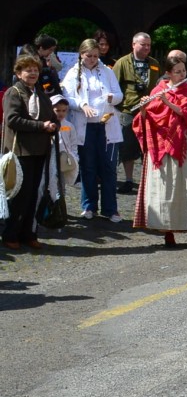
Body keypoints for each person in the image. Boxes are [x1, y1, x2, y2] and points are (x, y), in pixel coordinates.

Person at [131, 55, 187, 248]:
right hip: (164, 146)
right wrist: (142, 109)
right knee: (168, 189)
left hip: (186, 145)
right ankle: (168, 232)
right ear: (168, 73)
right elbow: (148, 120)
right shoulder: (158, 90)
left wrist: (168, 103)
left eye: (184, 70)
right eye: (178, 71)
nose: (182, 74)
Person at [61, 39, 123, 221]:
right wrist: (83, 104)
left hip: (106, 124)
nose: (92, 59)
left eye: (96, 56)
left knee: (108, 167)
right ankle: (89, 206)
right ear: (81, 54)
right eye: (89, 56)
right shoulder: (73, 73)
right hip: (85, 126)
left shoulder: (107, 72)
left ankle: (111, 209)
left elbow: (119, 95)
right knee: (88, 167)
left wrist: (112, 98)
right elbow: (68, 98)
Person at [2, 56, 58, 250]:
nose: (33, 73)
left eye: (35, 69)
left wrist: (54, 124)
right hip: (21, 151)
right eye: (28, 70)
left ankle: (28, 233)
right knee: (20, 196)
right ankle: (11, 234)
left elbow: (51, 116)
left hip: (39, 151)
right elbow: (12, 119)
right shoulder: (14, 92)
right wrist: (41, 126)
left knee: (34, 194)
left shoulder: (40, 93)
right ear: (18, 73)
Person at [112, 32, 161, 194]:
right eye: (143, 44)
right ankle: (128, 180)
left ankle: (148, 180)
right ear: (134, 45)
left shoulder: (154, 64)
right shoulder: (122, 63)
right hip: (129, 112)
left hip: (150, 112)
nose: (146, 48)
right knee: (128, 147)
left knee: (149, 146)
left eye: (149, 45)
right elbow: (114, 86)